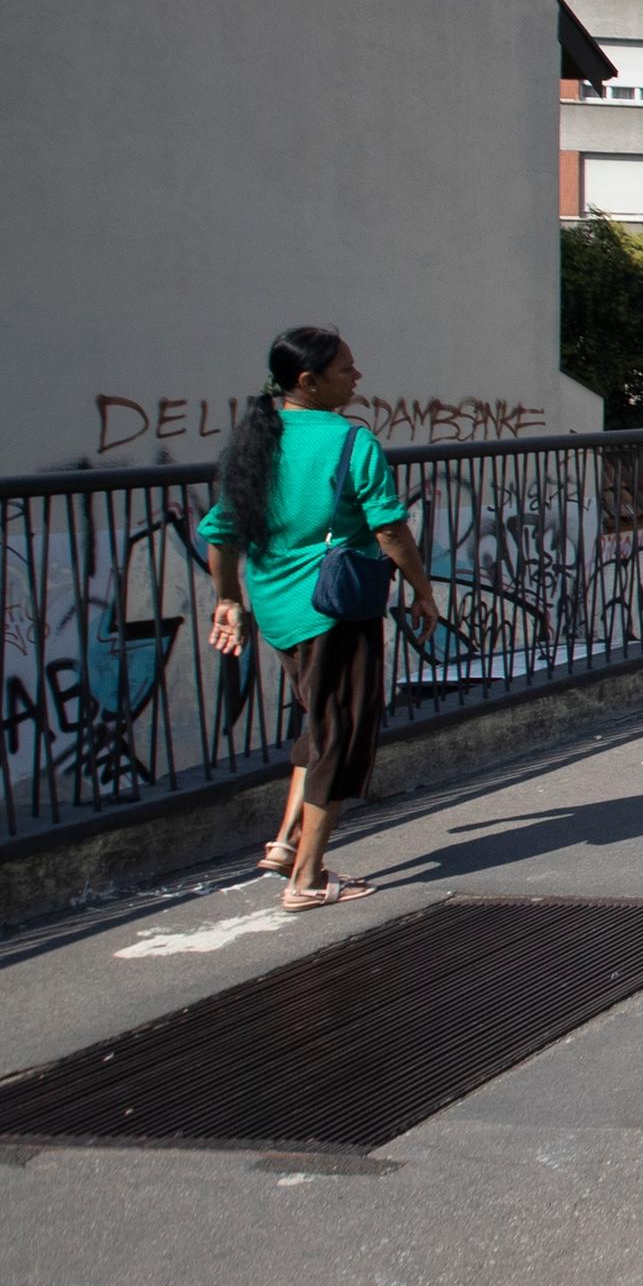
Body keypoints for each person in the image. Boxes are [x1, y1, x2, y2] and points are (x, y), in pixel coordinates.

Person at [201, 328, 435, 910]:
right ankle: (307, 878)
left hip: (280, 611)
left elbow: (220, 535)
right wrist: (423, 593)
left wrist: (229, 599)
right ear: (307, 380)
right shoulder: (350, 443)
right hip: (336, 609)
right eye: (346, 370)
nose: (357, 378)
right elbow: (389, 530)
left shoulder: (256, 442)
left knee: (320, 718)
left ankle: (285, 841)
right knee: (341, 735)